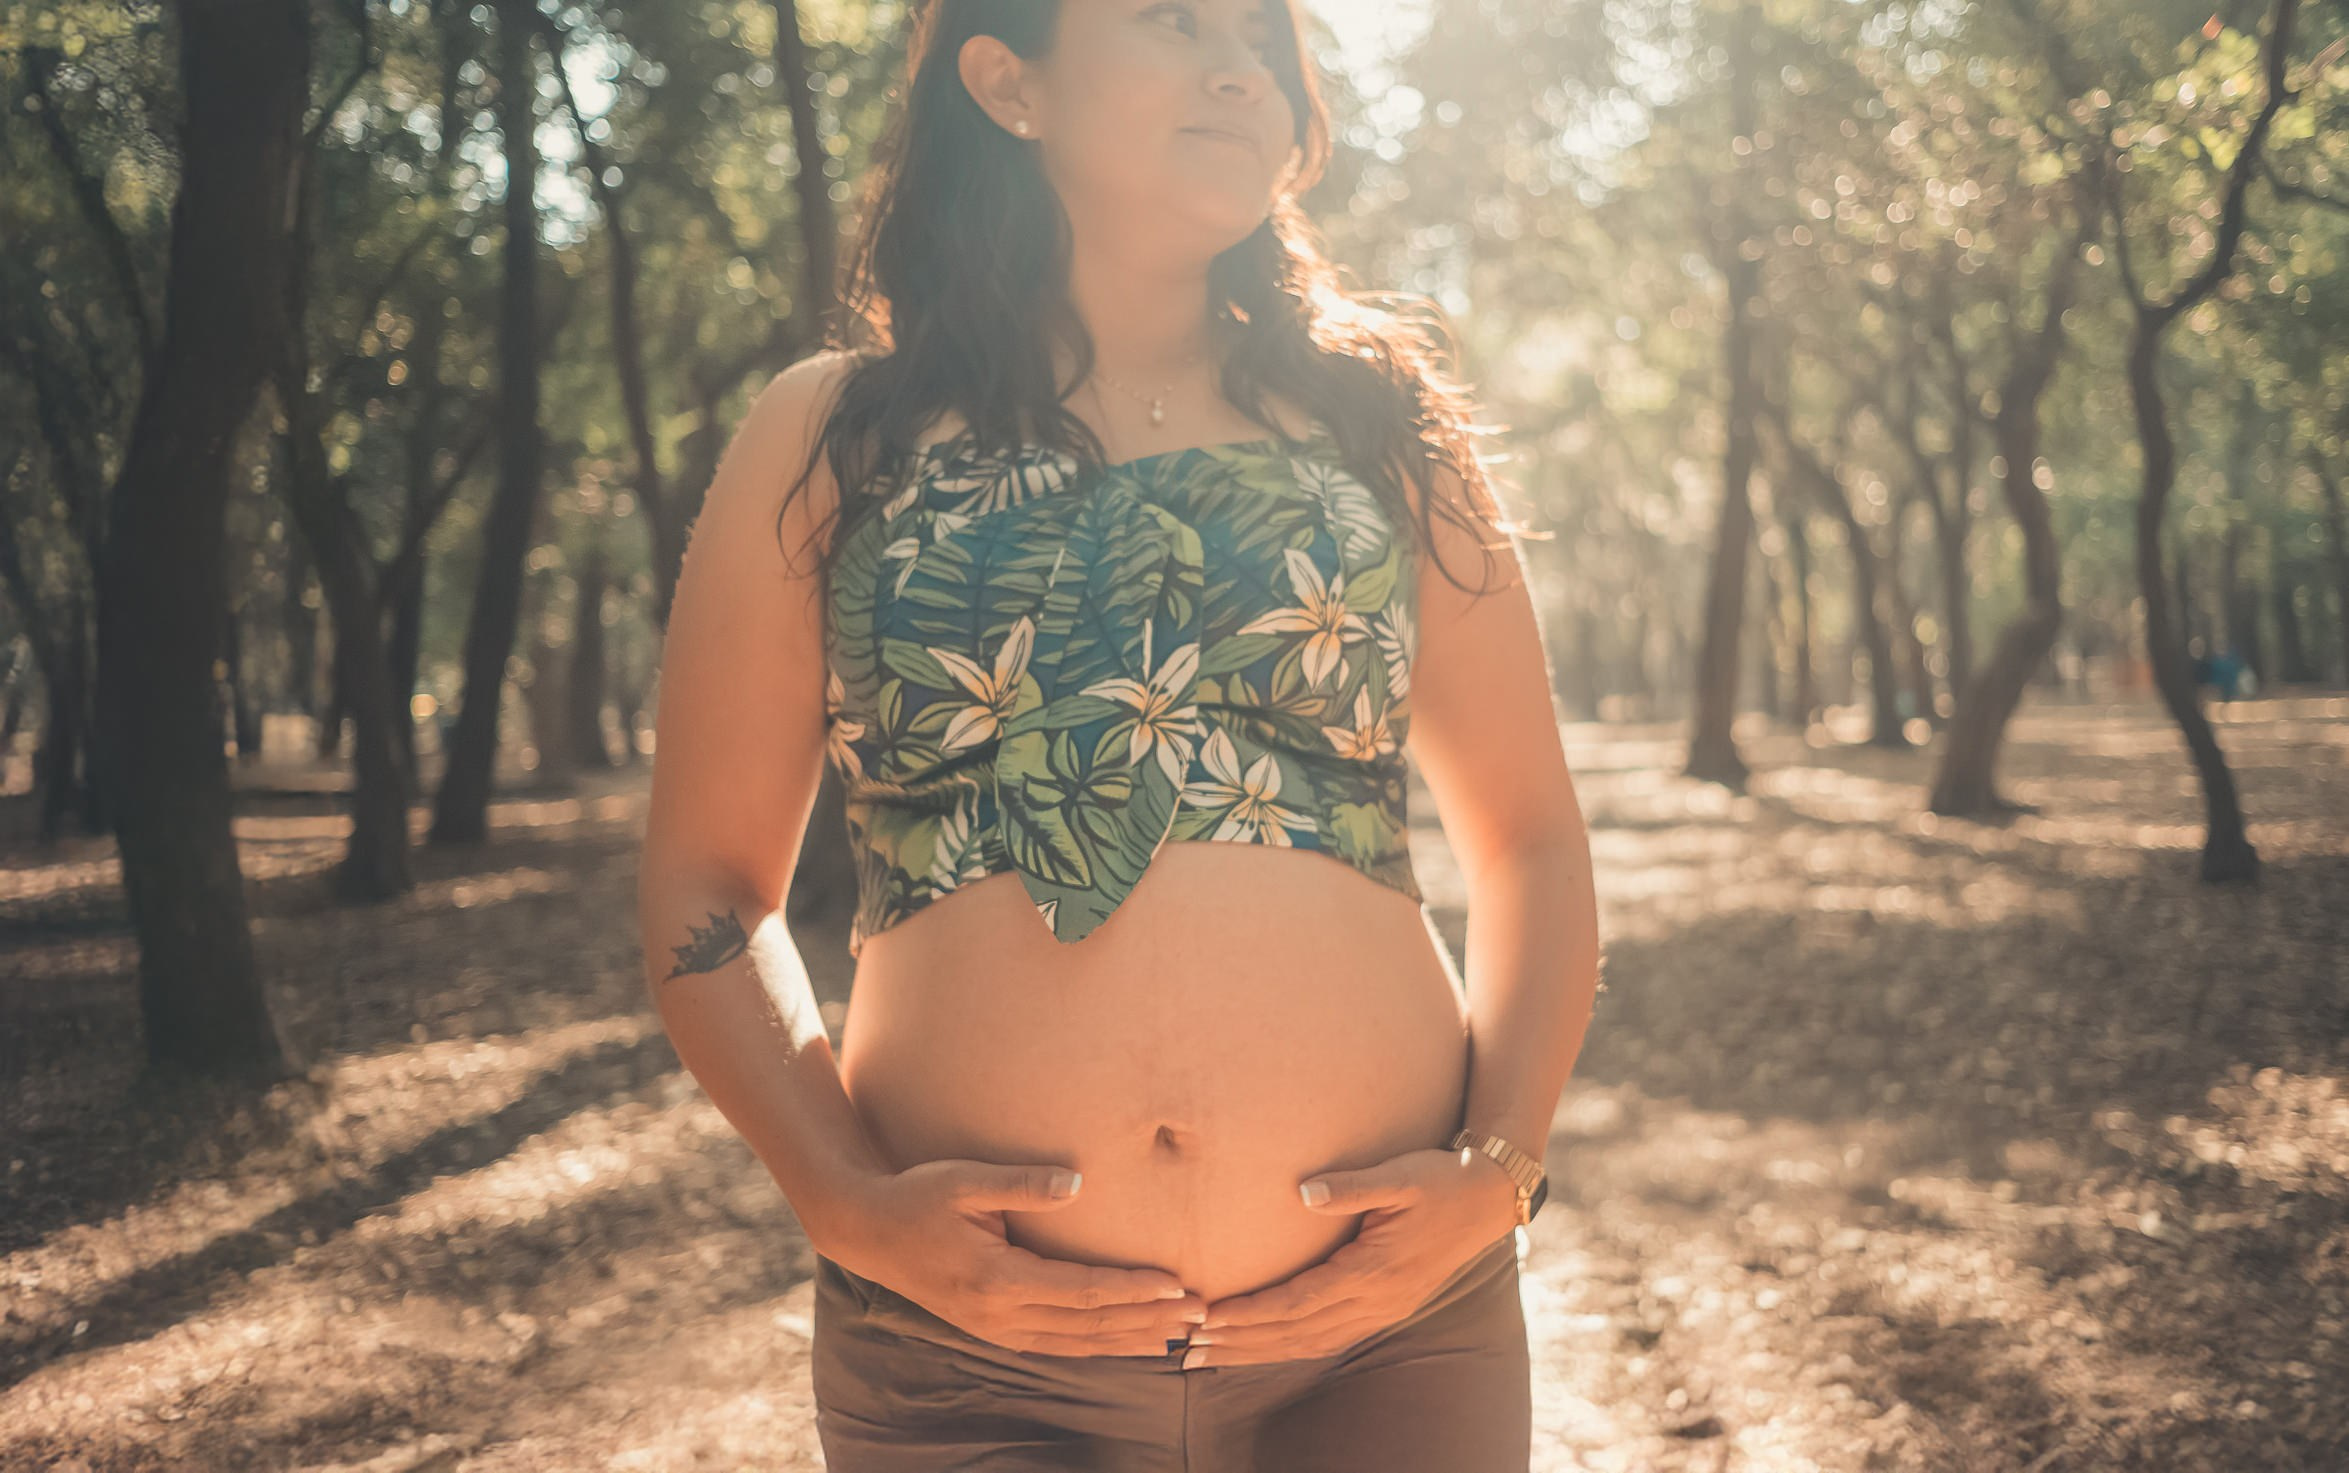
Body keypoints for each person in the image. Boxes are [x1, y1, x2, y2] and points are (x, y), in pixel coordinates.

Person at [636, 0, 1601, 1466]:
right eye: (1174, 19)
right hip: (965, 1357)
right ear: (1007, 82)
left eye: (1261, 41)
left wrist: (1500, 1170)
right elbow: (708, 880)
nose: (1239, 68)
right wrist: (845, 1205)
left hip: (1391, 1337)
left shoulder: (1379, 425)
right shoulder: (838, 435)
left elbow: (1529, 838)